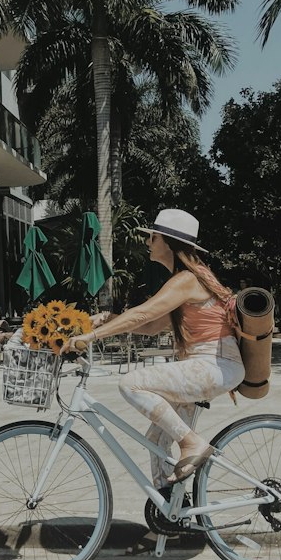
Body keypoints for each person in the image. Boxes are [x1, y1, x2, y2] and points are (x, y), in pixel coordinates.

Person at [68, 209, 245, 489]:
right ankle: (171, 508)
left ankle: (192, 443)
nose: (148, 242)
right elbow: (150, 326)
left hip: (214, 364)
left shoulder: (186, 280)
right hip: (210, 365)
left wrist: (92, 336)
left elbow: (143, 314)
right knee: (157, 438)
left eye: (152, 236)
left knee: (131, 384)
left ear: (167, 241)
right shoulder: (185, 280)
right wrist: (108, 319)